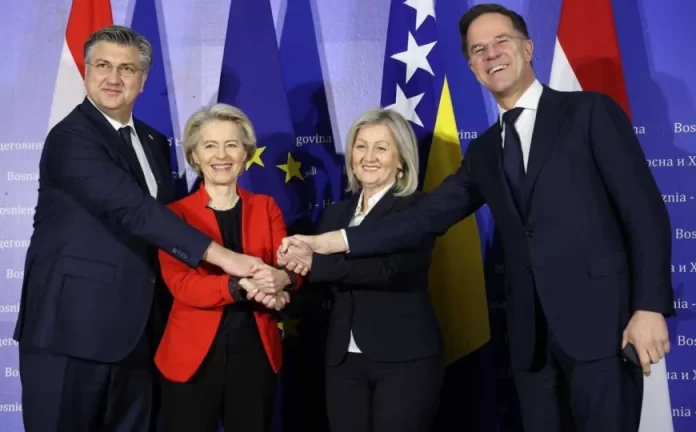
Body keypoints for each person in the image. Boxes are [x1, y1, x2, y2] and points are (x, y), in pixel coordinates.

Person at [279, 4, 674, 432]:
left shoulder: (589, 112)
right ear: (471, 67)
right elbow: (424, 217)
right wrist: (330, 240)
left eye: (501, 41)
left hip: (604, 328)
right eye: (478, 50)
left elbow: (644, 214)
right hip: (531, 342)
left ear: (528, 48)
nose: (491, 54)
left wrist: (649, 307)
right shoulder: (485, 150)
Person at [14, 26, 262, 432]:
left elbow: (171, 223)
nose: (114, 77)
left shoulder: (153, 140)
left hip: (141, 334)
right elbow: (134, 210)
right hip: (72, 331)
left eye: (127, 69)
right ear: (86, 72)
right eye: (103, 65)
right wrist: (226, 258)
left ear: (142, 79)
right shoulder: (70, 138)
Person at [281, 108, 443, 432]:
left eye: (381, 148)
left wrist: (316, 263)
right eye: (361, 146)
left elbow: (388, 271)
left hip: (404, 358)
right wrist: (280, 286)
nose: (369, 157)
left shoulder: (416, 210)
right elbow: (318, 285)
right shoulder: (337, 214)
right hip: (343, 360)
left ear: (401, 159)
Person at [155, 103, 300, 432]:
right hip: (191, 358)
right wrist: (240, 286)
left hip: (255, 352)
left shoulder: (266, 207)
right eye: (210, 145)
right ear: (194, 155)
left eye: (231, 144)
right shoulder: (175, 215)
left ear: (246, 153)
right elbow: (182, 285)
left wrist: (282, 279)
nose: (221, 155)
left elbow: (291, 269)